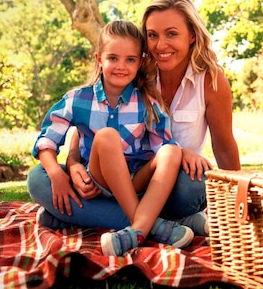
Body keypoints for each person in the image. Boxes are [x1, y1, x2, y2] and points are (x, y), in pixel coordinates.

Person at [27, 0, 240, 247]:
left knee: (196, 184)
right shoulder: (138, 73)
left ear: (192, 34)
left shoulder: (208, 80)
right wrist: (72, 164)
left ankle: (75, 217)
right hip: (101, 176)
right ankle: (160, 225)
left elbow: (222, 146)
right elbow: (86, 124)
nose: (161, 45)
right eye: (152, 35)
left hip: (163, 182)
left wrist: (239, 197)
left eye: (171, 33)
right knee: (39, 180)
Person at [31, 19, 193, 256]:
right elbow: (47, 139)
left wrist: (178, 152)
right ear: (99, 59)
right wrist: (56, 173)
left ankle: (128, 229)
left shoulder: (148, 103)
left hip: (136, 181)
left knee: (171, 151)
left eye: (130, 59)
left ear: (140, 63)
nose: (121, 66)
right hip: (95, 182)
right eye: (113, 58)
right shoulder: (78, 99)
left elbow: (163, 149)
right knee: (40, 177)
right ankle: (152, 225)